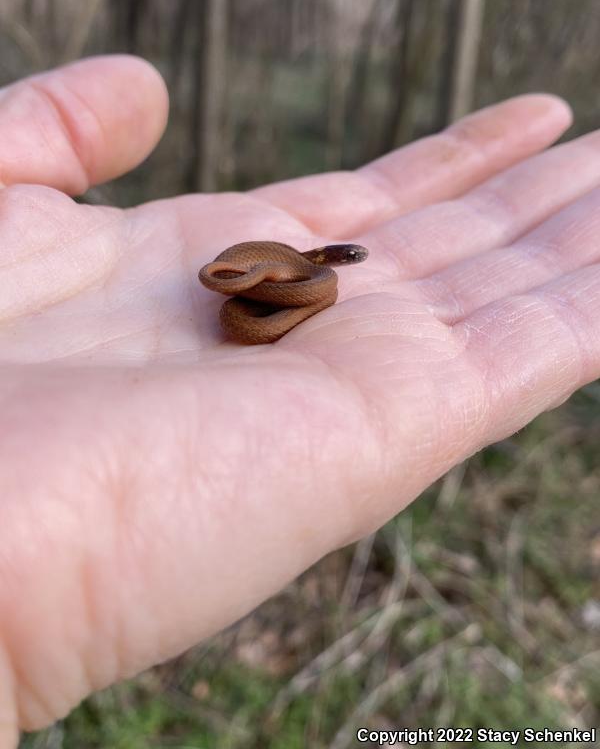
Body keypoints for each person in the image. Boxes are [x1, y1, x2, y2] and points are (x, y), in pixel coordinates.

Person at [0, 55, 596, 747]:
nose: (345, 269)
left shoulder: (304, 272)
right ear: (323, 261)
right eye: (344, 262)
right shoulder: (275, 276)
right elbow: (229, 283)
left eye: (334, 267)